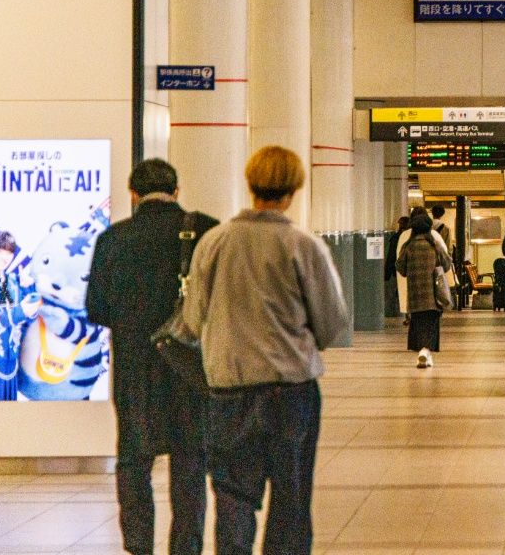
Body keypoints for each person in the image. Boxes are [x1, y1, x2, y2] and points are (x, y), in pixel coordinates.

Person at [180, 146, 351, 555]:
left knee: (234, 499)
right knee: (291, 501)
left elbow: (191, 320)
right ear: (293, 191)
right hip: (290, 391)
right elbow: (331, 324)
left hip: (228, 392)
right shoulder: (303, 246)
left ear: (249, 184)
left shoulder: (213, 243)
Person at [85, 159, 219, 555]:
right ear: (176, 192)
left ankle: (139, 545)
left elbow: (95, 308)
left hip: (133, 367)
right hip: (191, 369)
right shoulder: (206, 232)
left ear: (133, 194)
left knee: (134, 459)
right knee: (190, 463)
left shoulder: (113, 239)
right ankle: (186, 546)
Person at [397, 209, 453, 369]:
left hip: (415, 296)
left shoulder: (408, 246)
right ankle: (424, 352)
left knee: (418, 324)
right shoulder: (434, 245)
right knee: (430, 325)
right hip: (433, 295)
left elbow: (400, 268)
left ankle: (423, 354)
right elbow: (447, 264)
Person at [0, 229, 24, 402]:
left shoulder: (10, 281)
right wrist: (21, 312)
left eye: (9, 253)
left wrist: (30, 290)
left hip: (10, 360)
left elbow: (12, 313)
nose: (5, 258)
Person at [384, 215, 409, 319]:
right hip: (407, 271)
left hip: (395, 271)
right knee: (403, 294)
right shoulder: (409, 238)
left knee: (391, 294)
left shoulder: (395, 238)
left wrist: (387, 273)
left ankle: (392, 314)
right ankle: (402, 314)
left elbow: (390, 257)